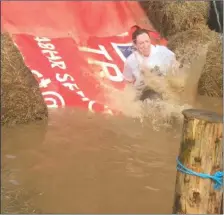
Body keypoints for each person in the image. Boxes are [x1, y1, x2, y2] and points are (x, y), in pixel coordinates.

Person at [123, 26, 177, 101]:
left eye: (147, 41)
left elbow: (175, 65)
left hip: (163, 89)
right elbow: (128, 82)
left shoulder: (162, 52)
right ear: (135, 45)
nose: (146, 46)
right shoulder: (130, 61)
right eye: (141, 43)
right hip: (143, 93)